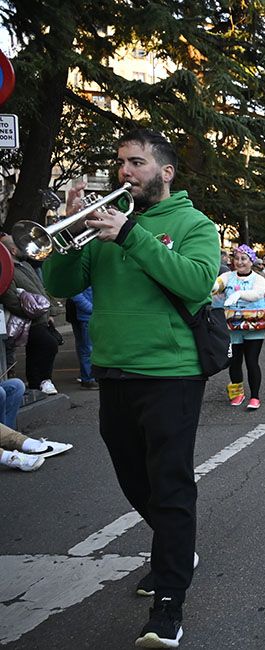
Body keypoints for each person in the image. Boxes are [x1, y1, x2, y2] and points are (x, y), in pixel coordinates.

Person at [43, 128, 218, 647]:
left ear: (164, 172)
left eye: (136, 163)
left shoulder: (193, 224)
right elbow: (60, 285)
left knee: (169, 485)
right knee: (132, 479)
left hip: (171, 373)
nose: (125, 172)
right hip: (115, 372)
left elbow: (194, 283)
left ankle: (169, 603)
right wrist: (62, 235)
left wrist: (131, 235)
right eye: (121, 162)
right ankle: (175, 546)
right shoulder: (103, 228)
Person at [1, 234, 60, 395]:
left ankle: (36, 382)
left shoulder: (24, 265)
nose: (24, 248)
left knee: (37, 349)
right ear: (13, 250)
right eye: (19, 245)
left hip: (39, 317)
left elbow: (40, 288)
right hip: (29, 320)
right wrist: (31, 313)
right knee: (48, 344)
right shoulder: (6, 270)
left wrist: (49, 312)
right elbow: (11, 299)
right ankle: (42, 380)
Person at [214, 245, 265, 409]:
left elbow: (257, 294)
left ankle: (255, 396)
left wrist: (239, 294)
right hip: (232, 327)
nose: (239, 262)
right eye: (236, 258)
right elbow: (216, 285)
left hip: (253, 326)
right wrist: (211, 289)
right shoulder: (227, 276)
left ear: (251, 261)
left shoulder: (258, 279)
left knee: (252, 361)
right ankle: (237, 394)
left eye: (244, 259)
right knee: (235, 362)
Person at [67, 287, 99, 390]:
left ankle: (88, 377)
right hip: (86, 316)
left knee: (85, 347)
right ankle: (88, 379)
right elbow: (76, 295)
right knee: (87, 349)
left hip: (85, 314)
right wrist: (92, 309)